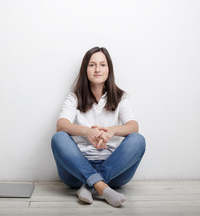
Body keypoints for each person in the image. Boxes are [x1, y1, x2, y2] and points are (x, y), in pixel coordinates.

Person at [51, 46, 146, 207]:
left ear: (109, 69)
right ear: (85, 69)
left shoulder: (121, 97)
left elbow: (133, 126)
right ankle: (102, 187)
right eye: (92, 65)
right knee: (58, 137)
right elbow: (61, 125)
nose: (97, 69)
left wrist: (112, 130)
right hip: (76, 172)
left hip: (114, 171)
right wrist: (86, 132)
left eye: (102, 64)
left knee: (138, 140)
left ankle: (91, 185)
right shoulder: (74, 97)